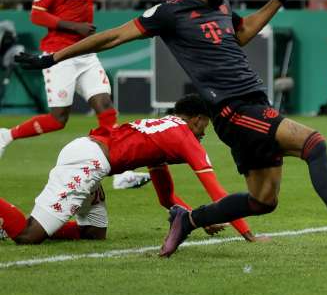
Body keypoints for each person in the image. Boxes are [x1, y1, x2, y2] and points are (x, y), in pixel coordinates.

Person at [16, 0, 327, 261]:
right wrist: (53, 57)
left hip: (252, 104)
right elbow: (113, 36)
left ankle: (189, 219)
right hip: (234, 108)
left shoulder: (221, 8)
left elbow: (242, 33)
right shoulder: (170, 12)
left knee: (264, 201)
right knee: (315, 143)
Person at [0, 0, 149, 190]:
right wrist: (73, 26)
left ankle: (120, 173)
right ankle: (6, 135)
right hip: (60, 55)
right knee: (58, 119)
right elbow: (37, 15)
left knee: (106, 108)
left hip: (86, 54)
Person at [0, 94, 254, 244]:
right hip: (90, 161)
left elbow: (165, 198)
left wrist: (193, 218)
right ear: (198, 118)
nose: (204, 133)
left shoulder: (164, 131)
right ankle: (21, 224)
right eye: (205, 126)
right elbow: (217, 192)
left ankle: (37, 225)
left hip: (90, 154)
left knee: (93, 233)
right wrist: (247, 233)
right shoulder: (184, 137)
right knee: (27, 235)